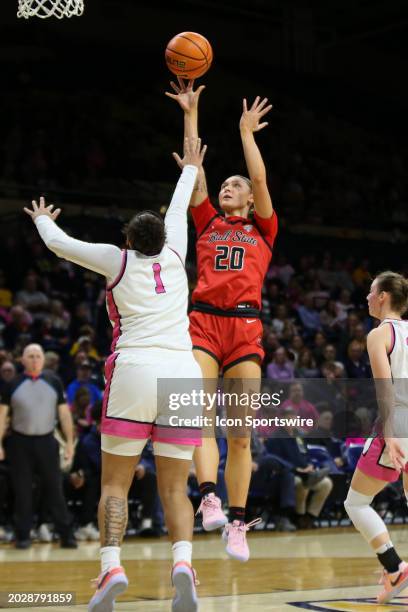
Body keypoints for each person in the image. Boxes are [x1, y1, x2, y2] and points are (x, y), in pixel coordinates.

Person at [23, 137, 206, 612]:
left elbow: (61, 246)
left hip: (137, 369)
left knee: (114, 485)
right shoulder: (177, 254)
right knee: (174, 487)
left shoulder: (116, 259)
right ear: (162, 241)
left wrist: (43, 218)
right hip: (184, 373)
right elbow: (179, 208)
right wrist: (190, 167)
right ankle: (183, 565)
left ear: (128, 240)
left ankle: (111, 566)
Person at [167, 79, 277, 561]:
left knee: (240, 433)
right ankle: (207, 495)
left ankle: (237, 521)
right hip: (205, 323)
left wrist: (247, 134)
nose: (230, 187)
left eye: (238, 185)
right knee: (196, 416)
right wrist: (191, 112)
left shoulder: (265, 228)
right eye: (226, 184)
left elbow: (261, 180)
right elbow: (194, 168)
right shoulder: (207, 220)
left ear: (250, 200)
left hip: (246, 328)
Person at [344, 271, 408, 604]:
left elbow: (385, 390)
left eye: (371, 292)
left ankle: (395, 569)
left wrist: (390, 432)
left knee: (355, 502)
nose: (367, 297)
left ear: (383, 296)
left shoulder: (380, 334)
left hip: (398, 423)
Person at [0, 343, 76, 549]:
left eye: (38, 356)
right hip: (19, 443)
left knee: (55, 489)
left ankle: (66, 535)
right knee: (22, 491)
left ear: (43, 359)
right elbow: (2, 416)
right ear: (22, 360)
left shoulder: (54, 381)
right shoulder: (12, 384)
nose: (34, 360)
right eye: (30, 356)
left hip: (47, 442)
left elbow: (64, 414)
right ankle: (23, 535)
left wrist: (69, 442)